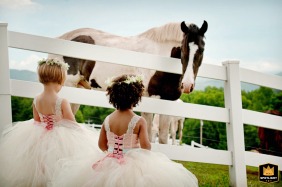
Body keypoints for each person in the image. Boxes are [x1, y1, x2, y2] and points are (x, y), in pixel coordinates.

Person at [51, 74, 198, 187]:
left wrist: (112, 152)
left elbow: (102, 145)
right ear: (136, 97)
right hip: (132, 163)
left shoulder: (108, 119)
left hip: (109, 160)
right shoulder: (139, 121)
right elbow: (146, 146)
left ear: (113, 96)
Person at [0, 58, 101, 187]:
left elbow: (36, 121)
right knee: (57, 165)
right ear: (60, 80)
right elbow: (71, 122)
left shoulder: (36, 99)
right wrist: (84, 134)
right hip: (60, 139)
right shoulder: (62, 101)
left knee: (40, 166)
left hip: (39, 137)